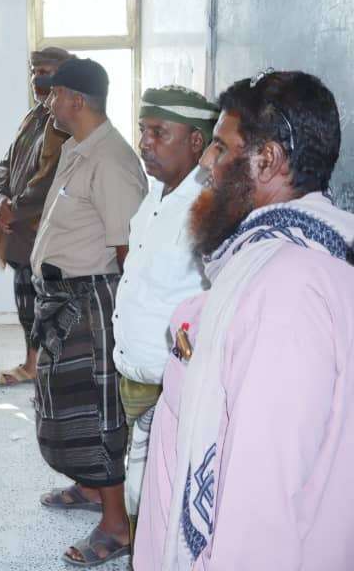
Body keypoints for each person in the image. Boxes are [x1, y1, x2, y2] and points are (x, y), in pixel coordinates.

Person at [135, 72, 354, 570]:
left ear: (267, 160)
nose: (206, 165)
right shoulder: (288, 260)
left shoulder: (287, 289)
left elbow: (260, 507)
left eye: (220, 147)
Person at [29, 57, 147, 566]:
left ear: (77, 99)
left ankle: (117, 526)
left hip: (94, 304)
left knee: (99, 413)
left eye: (55, 94)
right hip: (66, 302)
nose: (49, 101)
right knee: (67, 405)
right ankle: (91, 486)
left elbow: (129, 252)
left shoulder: (112, 160)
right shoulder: (77, 148)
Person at [112, 86, 217, 548]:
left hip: (172, 388)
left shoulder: (208, 208)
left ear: (196, 141)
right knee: (140, 490)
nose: (145, 143)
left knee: (167, 498)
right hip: (136, 377)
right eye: (143, 130)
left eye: (159, 132)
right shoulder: (154, 195)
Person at [0, 47, 72, 387]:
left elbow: (49, 179)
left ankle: (40, 367)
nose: (38, 78)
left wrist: (15, 210)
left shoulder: (64, 124)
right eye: (35, 72)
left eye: (46, 72)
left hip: (43, 232)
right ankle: (32, 364)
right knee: (26, 301)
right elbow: (5, 164)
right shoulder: (34, 116)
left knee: (46, 304)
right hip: (19, 230)